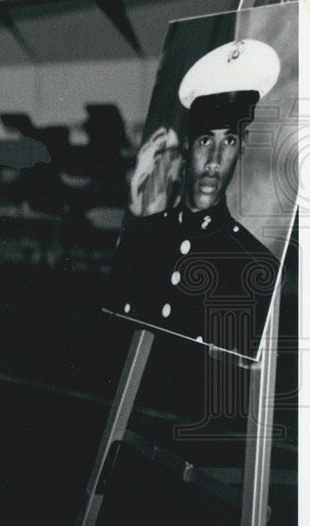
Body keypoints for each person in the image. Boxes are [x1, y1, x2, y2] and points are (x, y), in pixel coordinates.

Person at [110, 39, 281, 358]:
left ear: (242, 148)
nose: (215, 160)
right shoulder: (138, 238)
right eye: (205, 141)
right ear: (187, 146)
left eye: (228, 141)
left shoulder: (256, 265)